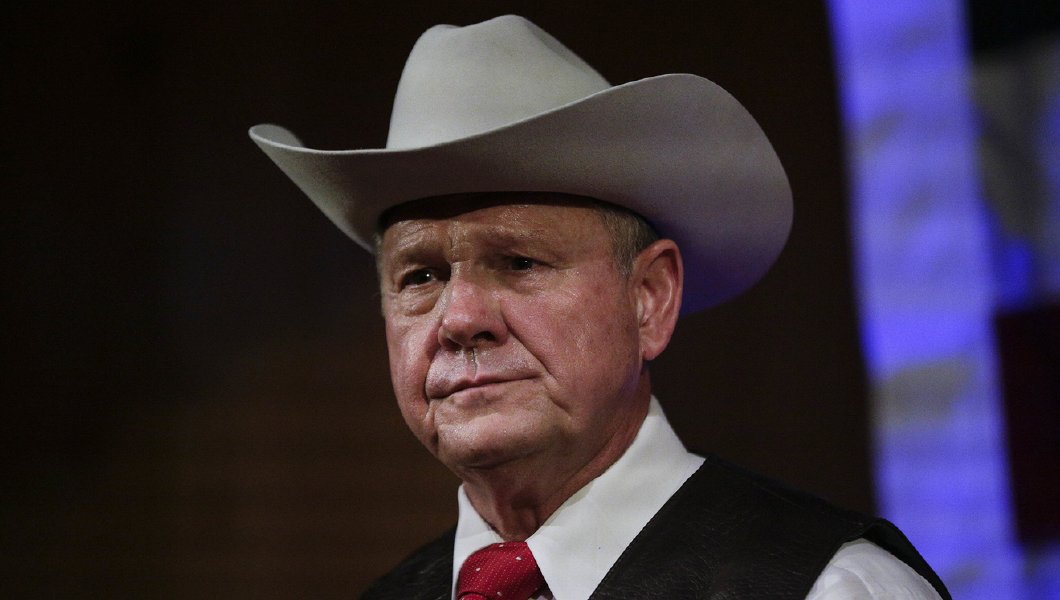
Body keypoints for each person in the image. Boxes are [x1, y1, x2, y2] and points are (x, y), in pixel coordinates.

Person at [249, 15, 950, 600]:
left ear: (649, 299)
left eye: (520, 262)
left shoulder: (830, 589)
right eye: (421, 276)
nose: (459, 319)